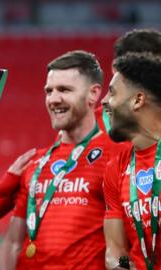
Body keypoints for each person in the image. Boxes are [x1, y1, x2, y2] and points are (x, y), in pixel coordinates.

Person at [0, 50, 117, 269]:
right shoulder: (36, 163)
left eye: (64, 90)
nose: (53, 99)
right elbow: (12, 243)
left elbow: (123, 246)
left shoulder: (115, 155)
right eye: (49, 91)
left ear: (93, 94)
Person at [102, 53, 161, 270]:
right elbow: (116, 250)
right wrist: (122, 266)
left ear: (138, 100)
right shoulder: (116, 168)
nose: (104, 101)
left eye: (112, 92)